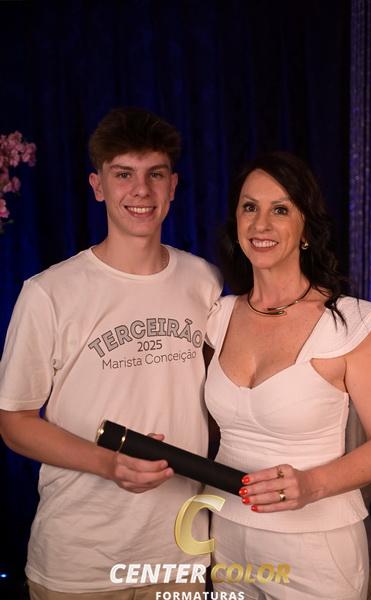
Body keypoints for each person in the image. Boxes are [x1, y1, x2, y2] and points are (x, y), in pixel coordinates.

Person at [0, 107, 221, 599]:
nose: (141, 191)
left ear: (173, 186)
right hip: (81, 560)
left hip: (180, 554)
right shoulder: (48, 293)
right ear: (97, 186)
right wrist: (107, 463)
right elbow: (14, 421)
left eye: (155, 175)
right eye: (123, 175)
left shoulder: (204, 281)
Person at [205, 151, 371, 600]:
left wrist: (311, 485)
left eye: (280, 210)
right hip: (227, 534)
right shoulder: (218, 316)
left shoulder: (352, 324)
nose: (261, 224)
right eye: (249, 207)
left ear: (306, 229)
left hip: (316, 549)